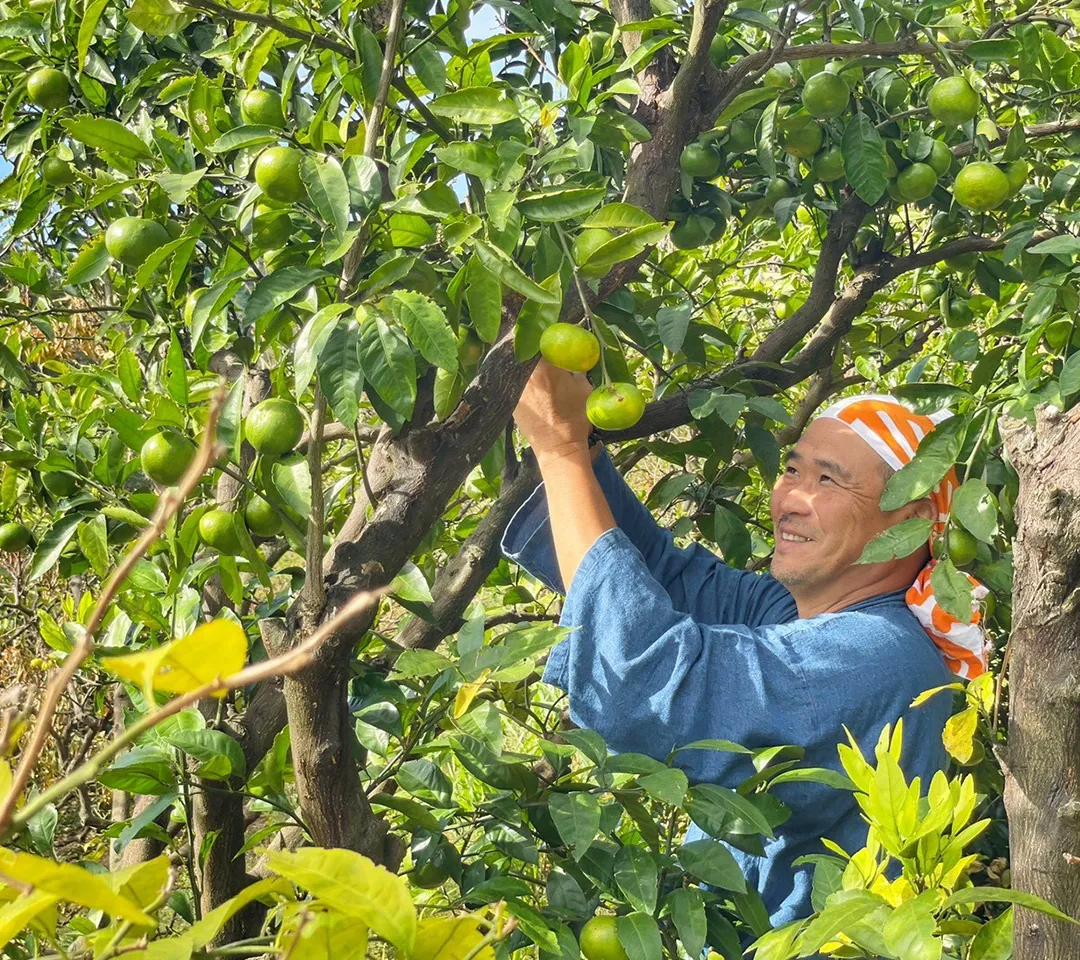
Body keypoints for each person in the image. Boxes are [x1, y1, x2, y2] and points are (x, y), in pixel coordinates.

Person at [500, 361, 990, 926]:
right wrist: (577, 439)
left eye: (828, 480)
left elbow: (650, 686)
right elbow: (661, 576)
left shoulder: (873, 655)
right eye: (792, 469)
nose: (792, 499)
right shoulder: (800, 612)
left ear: (913, 519)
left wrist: (559, 450)